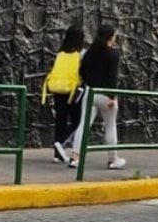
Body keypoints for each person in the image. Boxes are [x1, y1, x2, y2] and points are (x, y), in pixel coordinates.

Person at [69, 23, 126, 170]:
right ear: (110, 37)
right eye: (114, 36)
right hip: (107, 95)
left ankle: (75, 157)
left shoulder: (89, 53)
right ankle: (113, 159)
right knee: (110, 126)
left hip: (91, 92)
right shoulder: (113, 54)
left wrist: (90, 83)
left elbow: (82, 72)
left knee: (84, 124)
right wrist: (113, 97)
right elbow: (113, 77)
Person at [43, 24, 84, 164]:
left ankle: (57, 153)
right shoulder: (80, 54)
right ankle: (62, 143)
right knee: (77, 121)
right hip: (73, 91)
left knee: (60, 119)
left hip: (58, 89)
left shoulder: (60, 54)